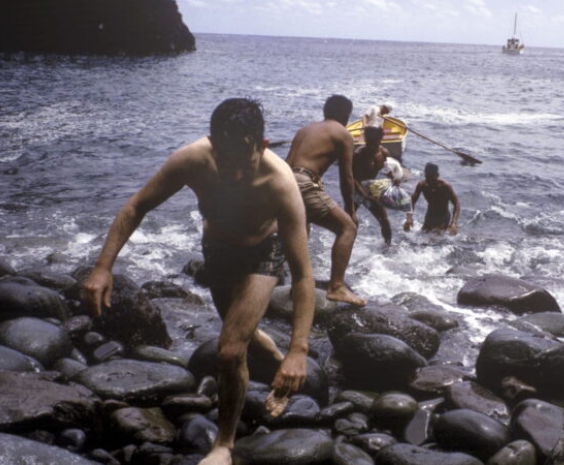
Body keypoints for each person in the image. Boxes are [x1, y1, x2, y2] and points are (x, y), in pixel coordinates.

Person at [81, 98, 316, 465]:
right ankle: (272, 355)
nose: (235, 174)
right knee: (238, 332)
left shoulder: (280, 184)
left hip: (263, 252)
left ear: (263, 144)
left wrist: (300, 350)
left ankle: (223, 445)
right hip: (218, 247)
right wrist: (102, 267)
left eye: (245, 160)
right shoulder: (192, 159)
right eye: (226, 161)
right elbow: (136, 206)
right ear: (211, 142)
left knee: (229, 350)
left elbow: (303, 275)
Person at [285, 94, 366, 306]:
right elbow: (346, 177)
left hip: (284, 182)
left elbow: (287, 162)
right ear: (346, 115)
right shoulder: (343, 133)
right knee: (347, 228)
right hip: (303, 182)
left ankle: (297, 284)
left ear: (325, 111)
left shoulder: (305, 129)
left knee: (302, 230)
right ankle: (337, 287)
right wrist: (351, 211)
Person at [353, 126, 403, 245]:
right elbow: (351, 177)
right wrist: (362, 193)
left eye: (375, 144)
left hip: (370, 189)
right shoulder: (358, 154)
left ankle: (388, 247)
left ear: (380, 141)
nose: (372, 147)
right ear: (366, 141)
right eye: (369, 144)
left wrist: (393, 178)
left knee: (384, 220)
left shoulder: (384, 153)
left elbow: (387, 169)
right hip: (354, 190)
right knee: (349, 222)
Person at [404, 162, 461, 235]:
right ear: (425, 175)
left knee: (438, 241)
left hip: (443, 217)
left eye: (432, 178)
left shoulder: (445, 186)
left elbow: (456, 204)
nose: (430, 181)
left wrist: (453, 223)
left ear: (437, 175)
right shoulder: (422, 185)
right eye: (427, 177)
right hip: (430, 216)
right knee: (422, 237)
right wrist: (409, 219)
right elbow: (412, 201)